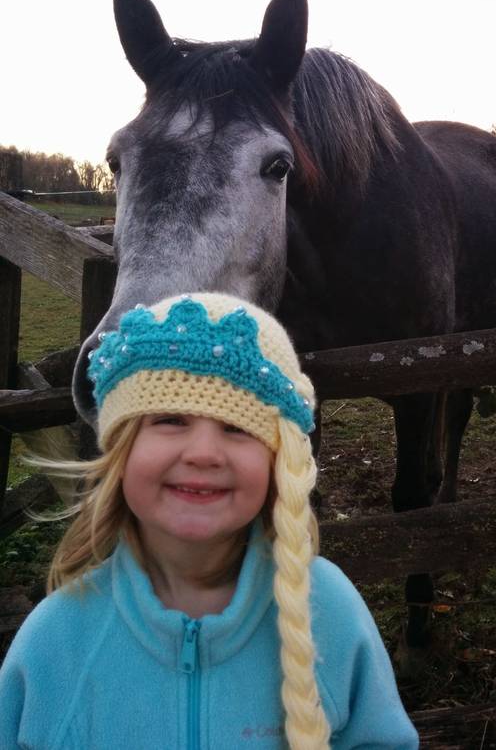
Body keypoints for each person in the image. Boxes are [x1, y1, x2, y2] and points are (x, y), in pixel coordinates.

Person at [0, 293, 419, 750]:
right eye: (172, 419)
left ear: (279, 463)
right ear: (121, 451)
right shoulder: (56, 644)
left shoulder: (330, 613)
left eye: (237, 428)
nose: (202, 453)